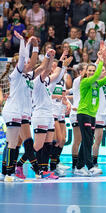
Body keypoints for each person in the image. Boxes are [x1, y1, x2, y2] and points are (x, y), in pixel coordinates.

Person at [2, 34, 43, 181]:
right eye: (24, 63)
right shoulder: (16, 74)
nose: (28, 65)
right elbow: (24, 60)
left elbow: (34, 65)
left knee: (11, 144)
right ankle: (8, 174)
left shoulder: (26, 76)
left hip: (18, 112)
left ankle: (6, 173)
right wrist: (23, 42)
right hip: (12, 111)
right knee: (12, 144)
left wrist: (33, 45)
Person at [74, 43, 106, 176]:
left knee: (88, 140)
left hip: (92, 115)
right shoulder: (85, 82)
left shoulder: (96, 84)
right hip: (83, 113)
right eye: (89, 71)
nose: (91, 72)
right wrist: (101, 60)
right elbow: (98, 74)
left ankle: (79, 167)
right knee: (87, 140)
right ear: (86, 73)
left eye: (92, 70)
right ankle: (90, 166)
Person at [32, 48, 72, 180]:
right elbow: (48, 70)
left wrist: (61, 60)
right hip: (40, 115)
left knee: (48, 143)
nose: (49, 72)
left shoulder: (47, 82)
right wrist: (49, 57)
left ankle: (44, 170)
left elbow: (57, 75)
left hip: (49, 115)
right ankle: (20, 164)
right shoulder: (37, 82)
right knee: (38, 145)